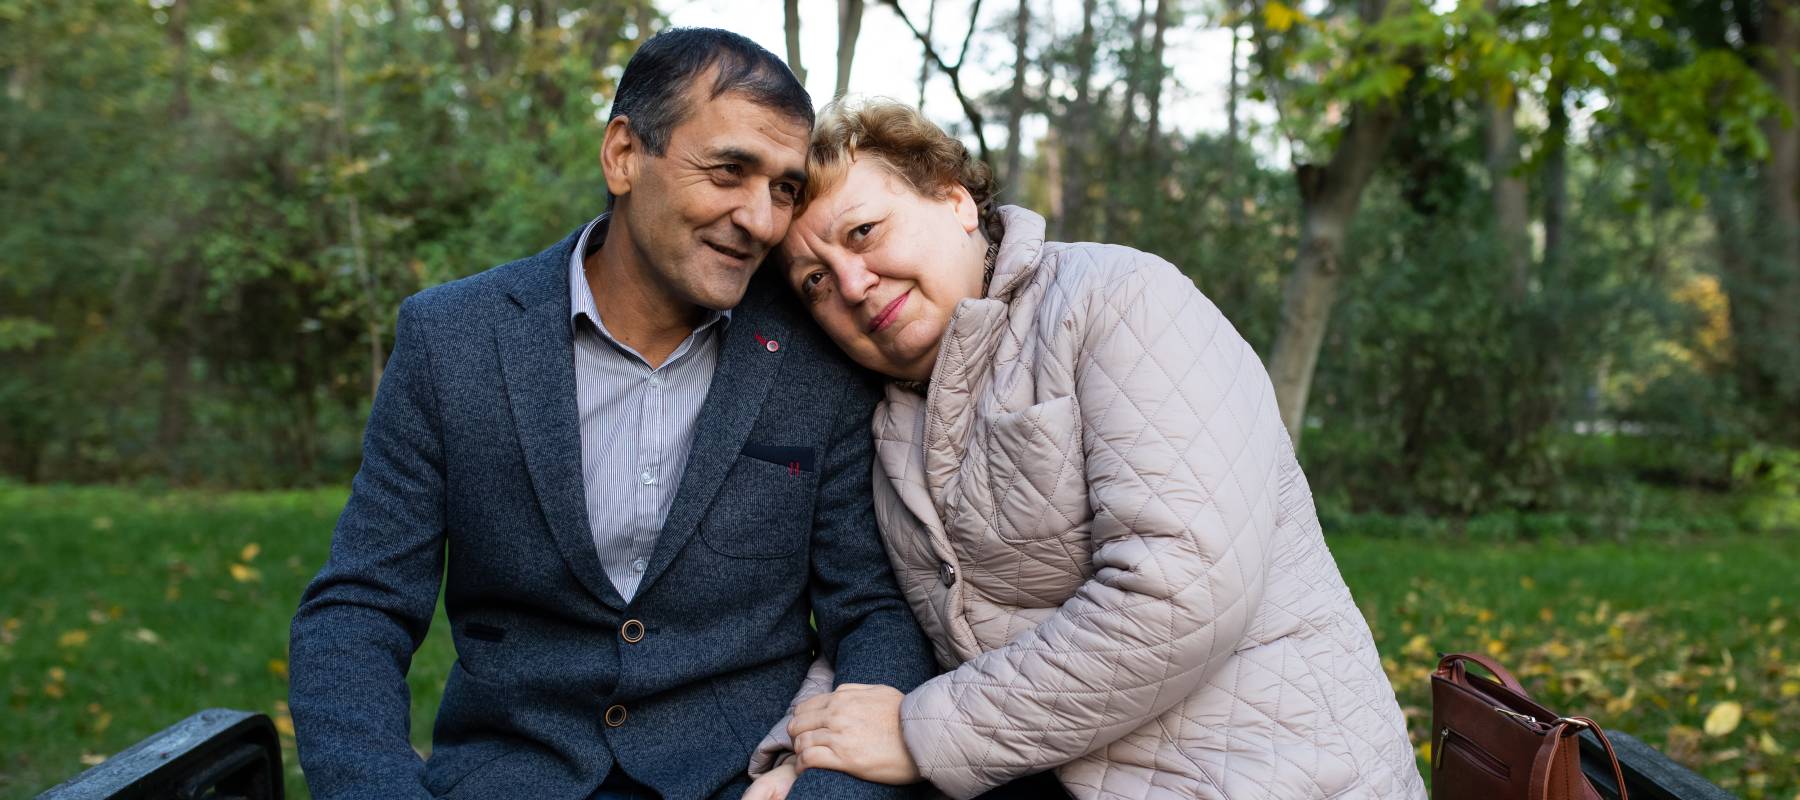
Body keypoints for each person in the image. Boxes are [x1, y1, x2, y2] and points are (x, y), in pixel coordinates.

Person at [287, 33, 934, 800]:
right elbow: (358, 608)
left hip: (749, 778)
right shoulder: (452, 341)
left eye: (785, 189)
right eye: (729, 170)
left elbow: (876, 612)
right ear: (624, 154)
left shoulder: (814, 356)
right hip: (513, 778)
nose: (761, 220)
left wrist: (823, 781)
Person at [747, 99, 1429, 800]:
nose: (853, 286)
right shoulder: (889, 418)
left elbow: (1178, 592)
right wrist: (802, 752)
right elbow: (888, 619)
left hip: (1267, 776)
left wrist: (922, 732)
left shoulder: (1118, 302)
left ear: (953, 200)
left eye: (863, 232)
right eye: (816, 282)